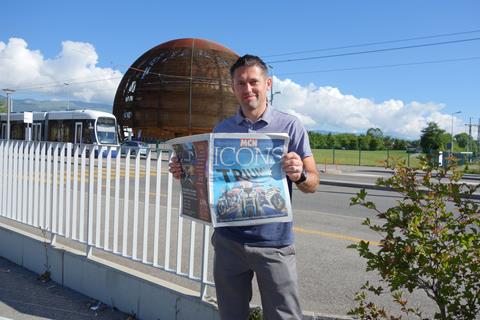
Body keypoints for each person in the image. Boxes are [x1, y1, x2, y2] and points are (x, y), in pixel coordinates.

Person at [169, 54, 320, 320]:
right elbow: (208, 179)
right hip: (228, 243)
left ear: (268, 83)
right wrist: (184, 171)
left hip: (274, 244)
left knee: (285, 316)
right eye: (241, 83)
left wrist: (299, 175)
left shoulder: (289, 126)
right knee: (231, 315)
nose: (247, 89)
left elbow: (313, 183)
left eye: (253, 82)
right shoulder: (222, 129)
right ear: (233, 87)